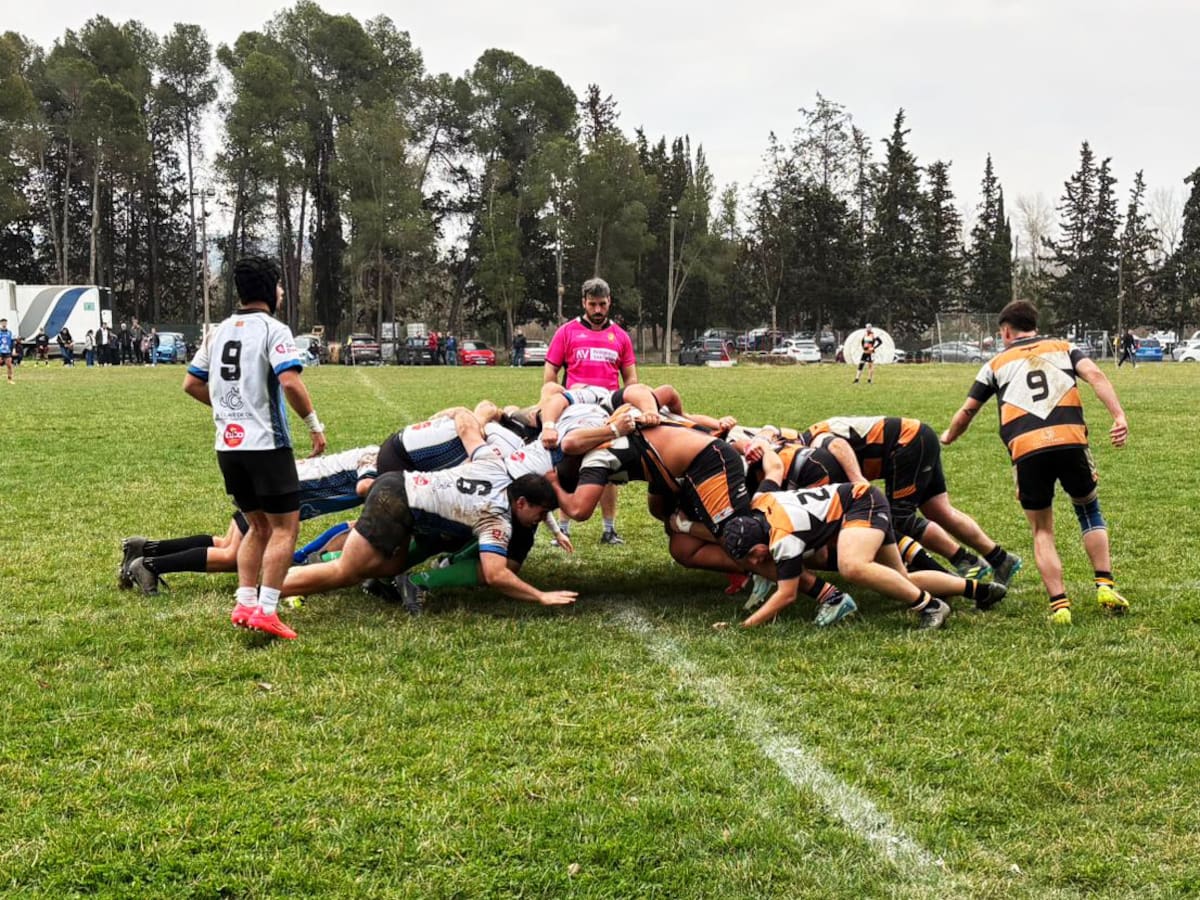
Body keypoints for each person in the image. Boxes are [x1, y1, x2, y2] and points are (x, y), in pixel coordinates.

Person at [942, 300, 1129, 625]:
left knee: (1042, 529)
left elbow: (968, 410)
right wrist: (1118, 416)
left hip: (1027, 450)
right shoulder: (1064, 348)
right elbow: (1096, 375)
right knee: (1088, 509)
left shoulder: (996, 364)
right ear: (1034, 326)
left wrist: (948, 436)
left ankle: (1060, 606)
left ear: (1005, 331)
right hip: (1070, 440)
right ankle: (1104, 585)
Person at [183, 255, 327, 640]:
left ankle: (245, 602)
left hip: (228, 448)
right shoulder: (273, 330)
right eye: (279, 286)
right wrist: (314, 425)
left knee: (257, 525)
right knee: (285, 528)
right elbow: (292, 383)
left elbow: (192, 383)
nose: (281, 292)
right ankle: (266, 609)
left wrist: (232, 412)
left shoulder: (218, 331)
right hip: (266, 445)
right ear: (269, 290)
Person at [120, 445, 379, 593]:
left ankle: (145, 548)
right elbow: (364, 490)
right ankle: (151, 565)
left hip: (274, 480)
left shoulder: (384, 457)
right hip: (278, 488)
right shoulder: (379, 461)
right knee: (235, 556)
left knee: (226, 545)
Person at [799, 415, 1022, 585]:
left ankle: (966, 561)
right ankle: (1001, 559)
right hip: (917, 437)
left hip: (908, 443)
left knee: (898, 519)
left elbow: (838, 445)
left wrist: (858, 480)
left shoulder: (811, 441)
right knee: (940, 511)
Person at [544, 277, 638, 545]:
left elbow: (631, 379)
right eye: (593, 304)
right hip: (575, 408)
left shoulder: (620, 336)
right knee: (568, 466)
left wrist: (625, 403)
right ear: (584, 302)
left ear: (610, 303)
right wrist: (553, 400)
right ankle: (563, 528)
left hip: (607, 409)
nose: (598, 310)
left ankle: (609, 530)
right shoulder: (566, 332)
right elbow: (550, 372)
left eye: (603, 304)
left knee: (605, 465)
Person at [0, 318, 14, 383]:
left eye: (5, 323)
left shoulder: (9, 332)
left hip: (7, 351)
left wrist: (13, 349)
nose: (4, 324)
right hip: (0, 351)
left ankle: (10, 380)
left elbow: (12, 342)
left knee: (9, 365)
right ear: (1, 324)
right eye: (3, 323)